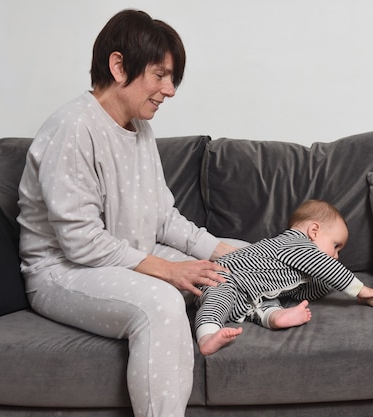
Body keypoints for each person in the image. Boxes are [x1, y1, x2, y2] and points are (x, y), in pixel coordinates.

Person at [17, 9, 237, 417]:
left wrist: (221, 249)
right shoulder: (72, 128)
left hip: (128, 255)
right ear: (118, 66)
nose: (169, 90)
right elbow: (80, 242)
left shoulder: (141, 129)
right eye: (160, 75)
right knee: (162, 302)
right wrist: (169, 271)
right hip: (62, 271)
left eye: (173, 78)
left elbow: (164, 218)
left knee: (246, 259)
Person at [195, 199, 373, 356]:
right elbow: (327, 266)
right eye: (335, 246)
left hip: (255, 295)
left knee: (270, 303)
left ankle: (276, 317)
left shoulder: (301, 265)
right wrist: (361, 289)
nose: (336, 256)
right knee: (219, 300)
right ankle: (208, 336)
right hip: (225, 279)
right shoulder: (295, 243)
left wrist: (330, 284)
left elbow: (306, 291)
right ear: (314, 231)